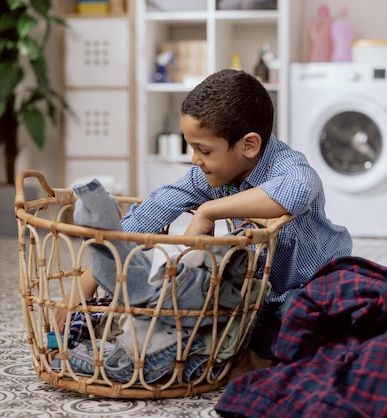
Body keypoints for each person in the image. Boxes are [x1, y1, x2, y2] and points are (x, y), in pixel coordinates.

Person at [58, 68, 353, 361]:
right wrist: (85, 284)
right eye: (192, 147)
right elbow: (154, 208)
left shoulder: (288, 167)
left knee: (301, 316)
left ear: (248, 145)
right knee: (212, 324)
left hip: (311, 283)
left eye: (204, 150)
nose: (195, 159)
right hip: (259, 297)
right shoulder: (213, 174)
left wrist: (209, 210)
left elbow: (299, 188)